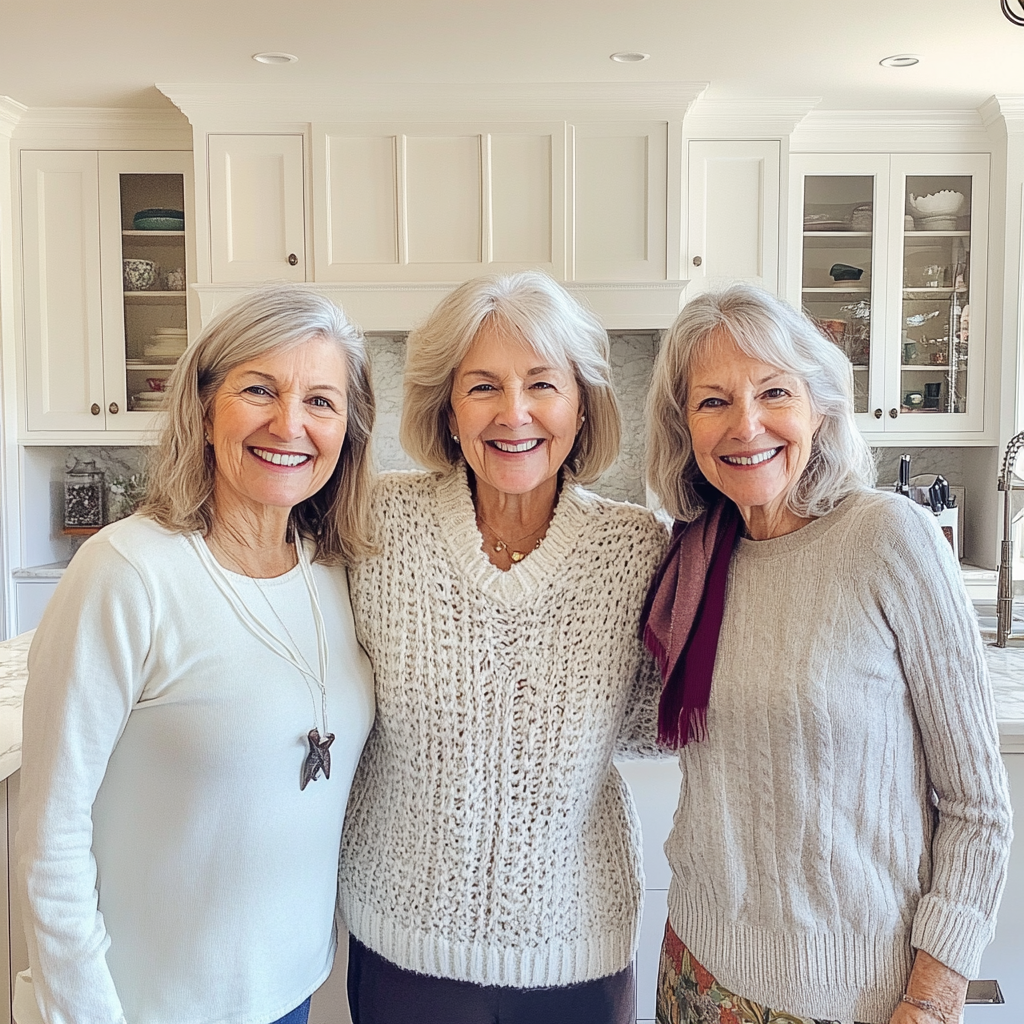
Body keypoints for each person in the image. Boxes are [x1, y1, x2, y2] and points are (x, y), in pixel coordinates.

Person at [641, 283, 1013, 1024]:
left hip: (852, 993)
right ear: (685, 428)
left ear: (818, 405)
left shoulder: (888, 539)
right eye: (713, 401)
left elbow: (978, 808)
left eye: (773, 392)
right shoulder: (694, 559)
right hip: (695, 969)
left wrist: (934, 996)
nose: (746, 425)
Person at [17, 286, 377, 1024]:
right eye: (259, 389)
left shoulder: (337, 572)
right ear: (205, 408)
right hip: (144, 1003)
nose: (290, 424)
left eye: (321, 401)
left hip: (290, 992)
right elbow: (50, 829)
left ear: (349, 430)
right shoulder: (128, 572)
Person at [338, 271, 668, 1024]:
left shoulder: (636, 549)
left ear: (581, 406)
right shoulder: (378, 524)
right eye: (482, 386)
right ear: (448, 409)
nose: (513, 413)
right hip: (406, 948)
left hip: (576, 953)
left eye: (542, 384)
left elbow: (662, 718)